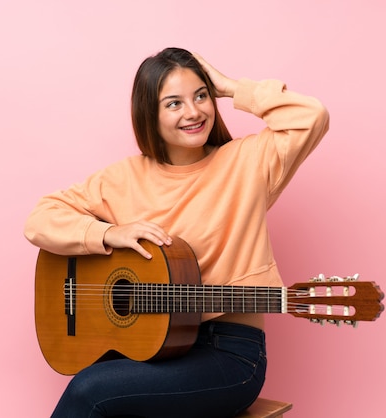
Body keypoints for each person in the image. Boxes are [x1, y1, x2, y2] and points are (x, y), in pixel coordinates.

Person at [24, 47, 329, 418]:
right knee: (98, 385)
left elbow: (312, 116)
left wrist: (232, 87)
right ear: (149, 115)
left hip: (229, 355)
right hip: (151, 347)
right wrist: (107, 235)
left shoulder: (248, 163)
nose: (193, 112)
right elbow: (40, 220)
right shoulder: (123, 177)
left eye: (201, 95)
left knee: (90, 391)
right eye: (173, 103)